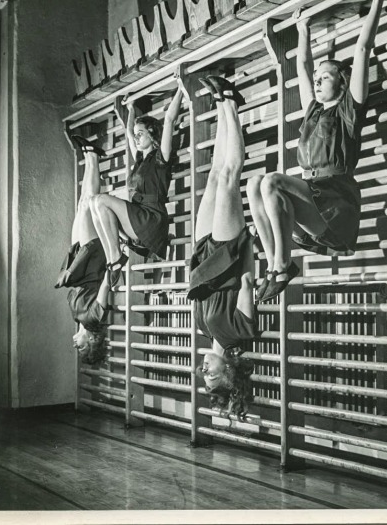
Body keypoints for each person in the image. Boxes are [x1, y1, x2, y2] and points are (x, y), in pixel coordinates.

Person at [247, 0, 386, 301]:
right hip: (313, 198)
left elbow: (363, 50)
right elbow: (302, 67)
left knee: (272, 182)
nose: (320, 80)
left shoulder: (349, 110)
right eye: (320, 77)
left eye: (327, 76)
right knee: (255, 184)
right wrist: (303, 29)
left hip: (335, 206)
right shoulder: (312, 110)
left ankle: (282, 264)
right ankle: (275, 265)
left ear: (341, 82)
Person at [187, 75, 256, 419]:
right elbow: (247, 280)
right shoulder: (244, 332)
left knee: (215, 176)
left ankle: (220, 104)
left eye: (204, 375)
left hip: (202, 261)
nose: (204, 369)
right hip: (227, 255)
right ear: (230, 370)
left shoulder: (205, 329)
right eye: (212, 375)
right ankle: (231, 104)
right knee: (231, 176)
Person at [89, 86, 183, 285]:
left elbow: (169, 120)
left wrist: (181, 88)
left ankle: (115, 258)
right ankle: (112, 259)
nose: (137, 137)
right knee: (93, 202)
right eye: (137, 134)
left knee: (101, 200)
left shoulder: (161, 158)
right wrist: (130, 109)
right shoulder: (139, 160)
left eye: (141, 134)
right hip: (138, 218)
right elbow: (129, 133)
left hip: (152, 219)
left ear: (152, 135)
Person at [55, 137, 113, 365]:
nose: (74, 346)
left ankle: (91, 154)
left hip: (77, 266)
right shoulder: (95, 318)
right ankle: (93, 157)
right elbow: (106, 285)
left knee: (82, 204)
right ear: (90, 342)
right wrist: (112, 258)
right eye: (80, 348)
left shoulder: (77, 317)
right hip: (92, 264)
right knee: (88, 204)